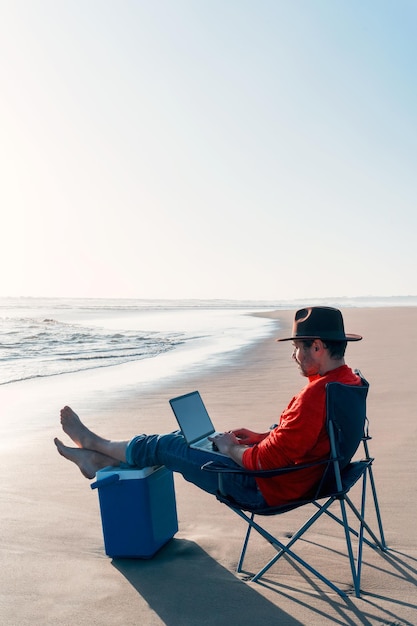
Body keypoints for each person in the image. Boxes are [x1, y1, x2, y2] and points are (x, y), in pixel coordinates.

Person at [54, 306, 363, 510]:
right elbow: (304, 440)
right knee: (185, 439)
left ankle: (95, 445)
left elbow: (266, 464)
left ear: (318, 347)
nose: (294, 356)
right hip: (306, 478)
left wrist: (230, 449)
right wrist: (257, 437)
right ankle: (100, 464)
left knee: (169, 444)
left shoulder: (316, 396)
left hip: (264, 487)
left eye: (297, 348)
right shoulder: (349, 384)